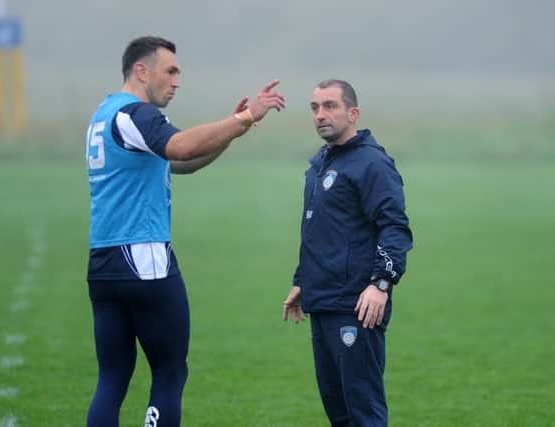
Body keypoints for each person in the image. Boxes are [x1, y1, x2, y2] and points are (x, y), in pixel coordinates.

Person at [85, 36, 285, 427]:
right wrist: (245, 118)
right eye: (171, 71)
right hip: (143, 259)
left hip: (103, 263)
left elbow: (181, 164)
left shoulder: (103, 115)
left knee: (111, 379)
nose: (177, 81)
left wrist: (232, 131)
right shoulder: (137, 115)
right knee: (170, 372)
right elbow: (180, 148)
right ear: (142, 71)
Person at [282, 79, 412, 427]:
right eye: (314, 108)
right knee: (339, 415)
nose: (320, 115)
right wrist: (302, 281)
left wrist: (381, 283)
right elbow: (322, 231)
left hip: (356, 305)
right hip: (322, 302)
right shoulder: (320, 164)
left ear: (352, 113)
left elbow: (394, 227)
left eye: (329, 106)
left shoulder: (372, 163)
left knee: (363, 413)